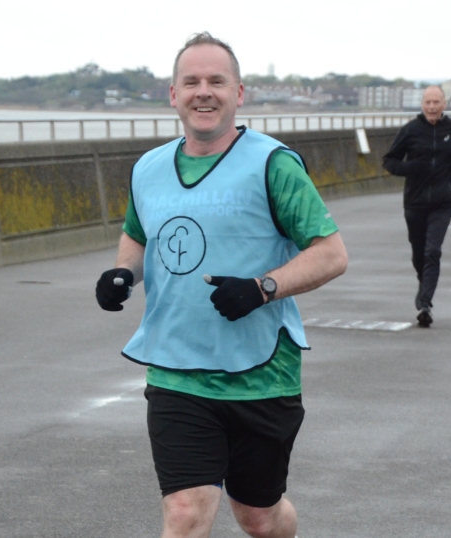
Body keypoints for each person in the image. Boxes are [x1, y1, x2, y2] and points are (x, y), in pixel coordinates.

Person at [95, 32, 347, 538]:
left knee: (259, 515)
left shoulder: (273, 163)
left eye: (216, 81)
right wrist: (123, 273)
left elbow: (331, 254)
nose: (203, 92)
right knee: (185, 512)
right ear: (173, 94)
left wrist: (262, 288)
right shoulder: (148, 168)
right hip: (176, 369)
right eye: (191, 82)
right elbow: (138, 236)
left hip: (260, 373)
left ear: (239, 93)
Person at [383, 86, 451, 328]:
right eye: (428, 102)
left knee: (433, 250)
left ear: (444, 104)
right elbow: (389, 161)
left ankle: (425, 304)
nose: (432, 107)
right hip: (415, 202)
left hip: (443, 202)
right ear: (422, 105)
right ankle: (423, 284)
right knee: (419, 252)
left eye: (436, 102)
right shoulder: (410, 131)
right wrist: (412, 167)